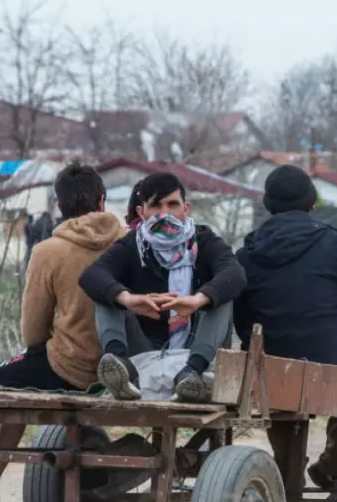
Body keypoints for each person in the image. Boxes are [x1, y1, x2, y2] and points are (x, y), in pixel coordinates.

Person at [0, 162, 125, 502]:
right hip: (123, 368)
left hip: (69, 369)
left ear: (59, 205)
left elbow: (32, 332)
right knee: (19, 380)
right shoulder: (128, 242)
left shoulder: (49, 251)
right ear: (102, 201)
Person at [232, 164, 337, 487]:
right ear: (312, 205)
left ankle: (286, 470)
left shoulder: (246, 255)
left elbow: (242, 321)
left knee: (279, 386)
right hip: (333, 363)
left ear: (268, 205)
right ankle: (333, 464)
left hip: (271, 367)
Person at [78, 172, 246, 403]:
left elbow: (235, 273)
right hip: (146, 349)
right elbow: (91, 275)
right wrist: (128, 299)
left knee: (221, 295)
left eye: (172, 205)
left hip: (198, 348)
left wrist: (197, 300)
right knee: (106, 293)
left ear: (185, 208)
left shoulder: (203, 240)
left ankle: (191, 374)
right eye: (156, 206)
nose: (165, 214)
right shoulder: (132, 244)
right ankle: (118, 366)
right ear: (141, 212)